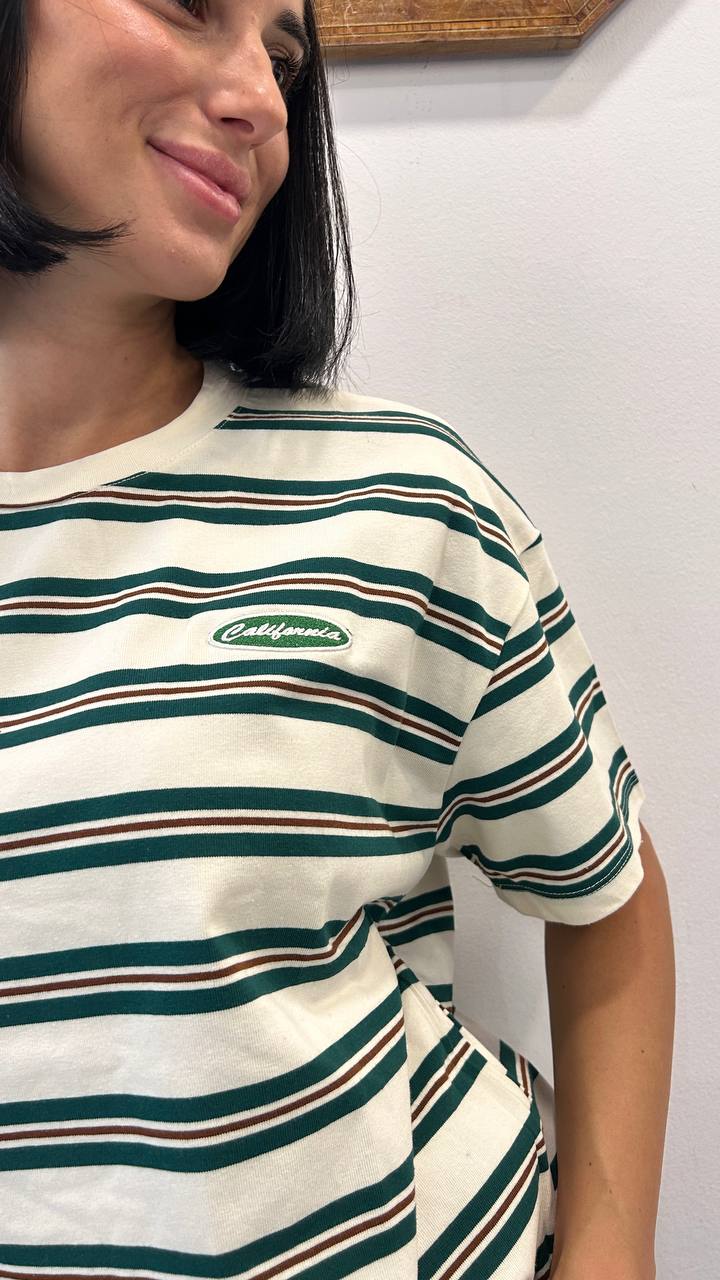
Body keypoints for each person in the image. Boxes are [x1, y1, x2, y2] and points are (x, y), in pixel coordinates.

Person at [0, 3, 673, 1278]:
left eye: (284, 59)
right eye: (189, 6)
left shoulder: (400, 503)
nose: (264, 101)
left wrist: (612, 1251)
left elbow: (606, 885)